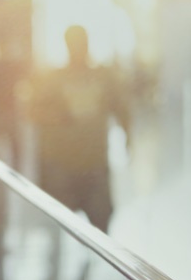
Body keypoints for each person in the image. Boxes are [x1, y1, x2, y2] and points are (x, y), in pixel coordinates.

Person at [28, 25, 130, 232]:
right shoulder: (54, 79)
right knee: (63, 223)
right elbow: (33, 111)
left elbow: (121, 107)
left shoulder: (103, 76)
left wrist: (128, 135)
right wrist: (57, 117)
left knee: (101, 223)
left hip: (95, 162)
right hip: (64, 163)